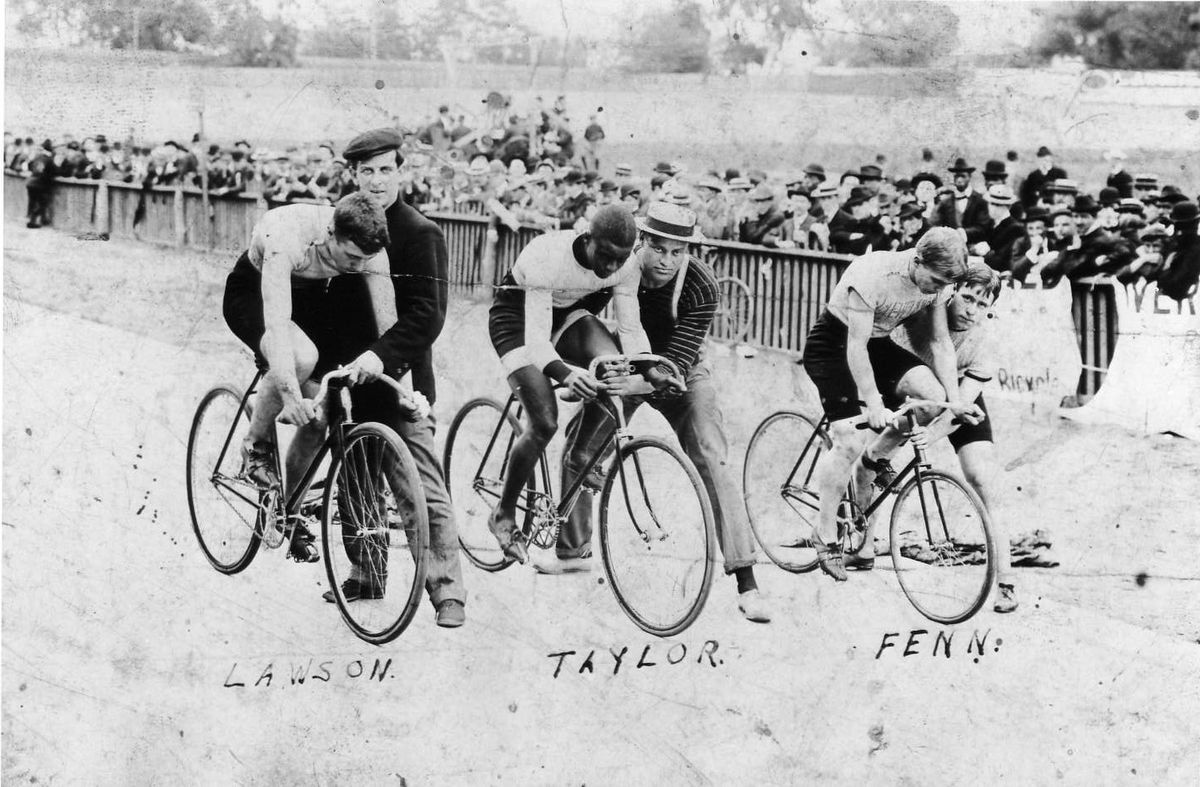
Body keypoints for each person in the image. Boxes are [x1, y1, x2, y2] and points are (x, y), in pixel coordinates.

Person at [544, 203, 771, 623]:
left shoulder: (702, 285)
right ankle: (573, 550)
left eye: (677, 252)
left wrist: (631, 381)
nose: (666, 261)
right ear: (643, 242)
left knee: (713, 456)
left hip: (681, 371)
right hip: (628, 362)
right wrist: (585, 372)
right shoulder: (616, 263)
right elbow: (580, 312)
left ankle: (747, 580)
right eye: (659, 249)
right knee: (579, 449)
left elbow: (678, 360)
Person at [316, 128, 469, 628]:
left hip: (399, 377)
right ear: (353, 175)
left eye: (386, 170)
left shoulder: (421, 233)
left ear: (401, 173)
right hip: (350, 377)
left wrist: (380, 358)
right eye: (366, 171)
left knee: (423, 488)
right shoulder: (342, 223)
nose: (376, 181)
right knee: (354, 475)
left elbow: (428, 316)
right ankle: (367, 570)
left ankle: (448, 591)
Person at [486, 205, 670, 563]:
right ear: (586, 239)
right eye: (604, 256)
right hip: (518, 323)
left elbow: (630, 329)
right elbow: (538, 341)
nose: (612, 267)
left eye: (620, 259)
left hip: (568, 314)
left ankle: (584, 453)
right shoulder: (546, 255)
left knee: (615, 367)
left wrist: (648, 368)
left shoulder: (626, 265)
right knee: (544, 422)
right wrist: (567, 374)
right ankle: (503, 513)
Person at [221, 193, 395, 563]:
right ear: (330, 233)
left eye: (364, 260)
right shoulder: (287, 238)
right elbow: (279, 325)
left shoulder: (368, 247)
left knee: (319, 416)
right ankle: (255, 445)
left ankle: (287, 511)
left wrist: (404, 390)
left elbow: (388, 325)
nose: (357, 267)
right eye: (351, 258)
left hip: (312, 299)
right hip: (255, 292)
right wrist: (287, 393)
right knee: (299, 357)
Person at [800, 227, 978, 581]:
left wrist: (955, 402)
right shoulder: (873, 274)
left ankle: (875, 458)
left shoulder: (936, 285)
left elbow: (942, 342)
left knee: (931, 401)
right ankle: (824, 534)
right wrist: (874, 403)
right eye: (936, 280)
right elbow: (855, 348)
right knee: (848, 439)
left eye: (946, 284)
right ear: (917, 260)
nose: (938, 289)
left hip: (878, 345)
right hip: (835, 345)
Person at [859, 260, 1019, 612]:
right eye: (968, 298)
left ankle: (1006, 581)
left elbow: (961, 404)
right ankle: (863, 544)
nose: (972, 310)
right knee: (876, 457)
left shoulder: (984, 341)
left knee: (982, 476)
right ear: (952, 292)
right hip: (906, 384)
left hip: (958, 397)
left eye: (982, 304)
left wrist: (929, 437)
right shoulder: (926, 309)